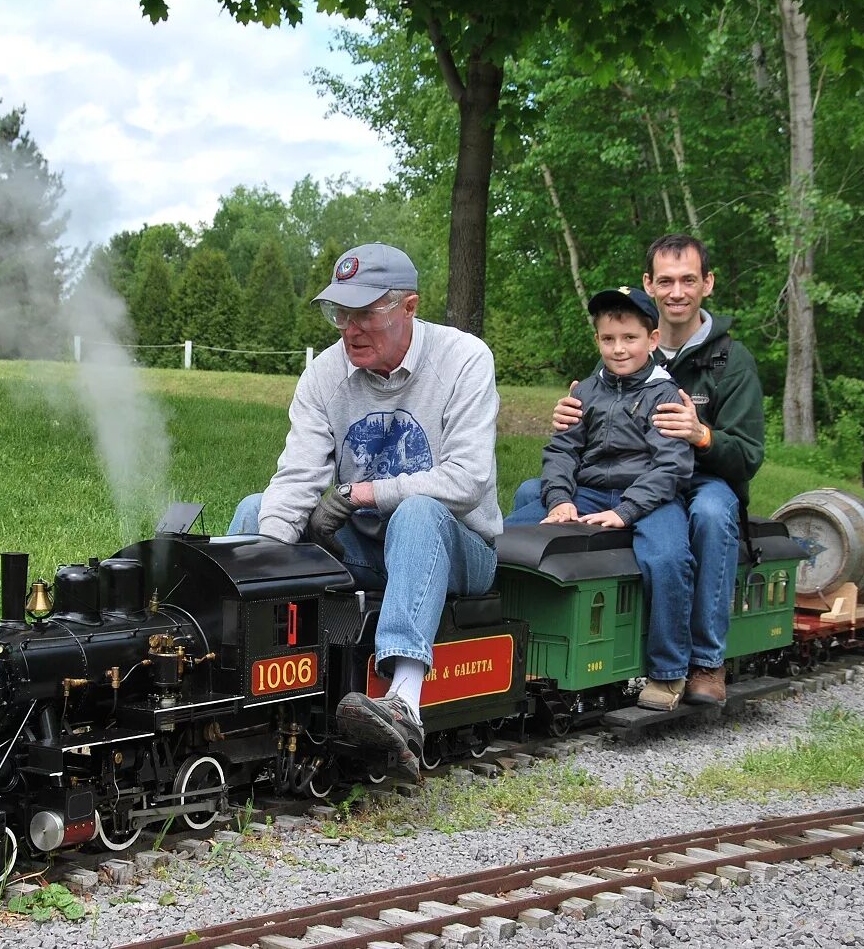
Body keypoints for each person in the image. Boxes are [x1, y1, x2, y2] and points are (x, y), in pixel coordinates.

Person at [227, 242, 501, 777]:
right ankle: (242, 677)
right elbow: (299, 476)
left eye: (365, 314)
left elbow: (467, 481)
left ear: (409, 307)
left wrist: (363, 494)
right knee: (256, 509)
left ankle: (403, 702)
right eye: (340, 314)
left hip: (460, 548)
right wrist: (266, 558)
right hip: (369, 545)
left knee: (418, 512)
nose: (350, 329)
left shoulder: (465, 359)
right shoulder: (325, 375)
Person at [516, 234, 765, 708]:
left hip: (699, 478)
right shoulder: (616, 352)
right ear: (650, 285)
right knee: (530, 496)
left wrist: (702, 435)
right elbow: (581, 433)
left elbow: (748, 455)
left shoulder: (731, 360)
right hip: (613, 483)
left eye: (688, 280)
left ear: (706, 284)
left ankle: (703, 661)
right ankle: (520, 626)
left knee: (709, 515)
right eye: (666, 281)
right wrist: (566, 425)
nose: (677, 291)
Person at [504, 287, 695, 708]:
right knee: (502, 536)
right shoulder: (587, 391)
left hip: (650, 498)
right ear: (597, 341)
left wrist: (625, 512)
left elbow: (670, 467)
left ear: (652, 339)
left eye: (629, 338)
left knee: (667, 556)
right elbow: (561, 451)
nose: (619, 348)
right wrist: (559, 500)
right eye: (608, 339)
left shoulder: (665, 395)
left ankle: (668, 671)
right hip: (587, 493)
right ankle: (500, 645)